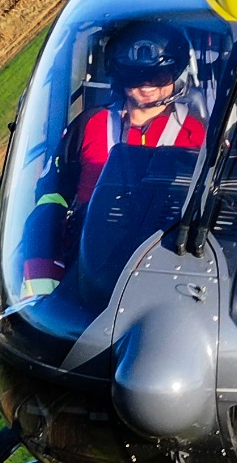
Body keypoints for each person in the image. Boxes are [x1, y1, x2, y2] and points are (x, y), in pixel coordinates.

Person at [21, 21, 207, 296]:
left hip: (165, 257)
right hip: (87, 256)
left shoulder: (196, 133)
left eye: (159, 75)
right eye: (137, 75)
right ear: (120, 76)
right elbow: (51, 193)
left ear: (176, 73)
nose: (147, 84)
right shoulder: (90, 124)